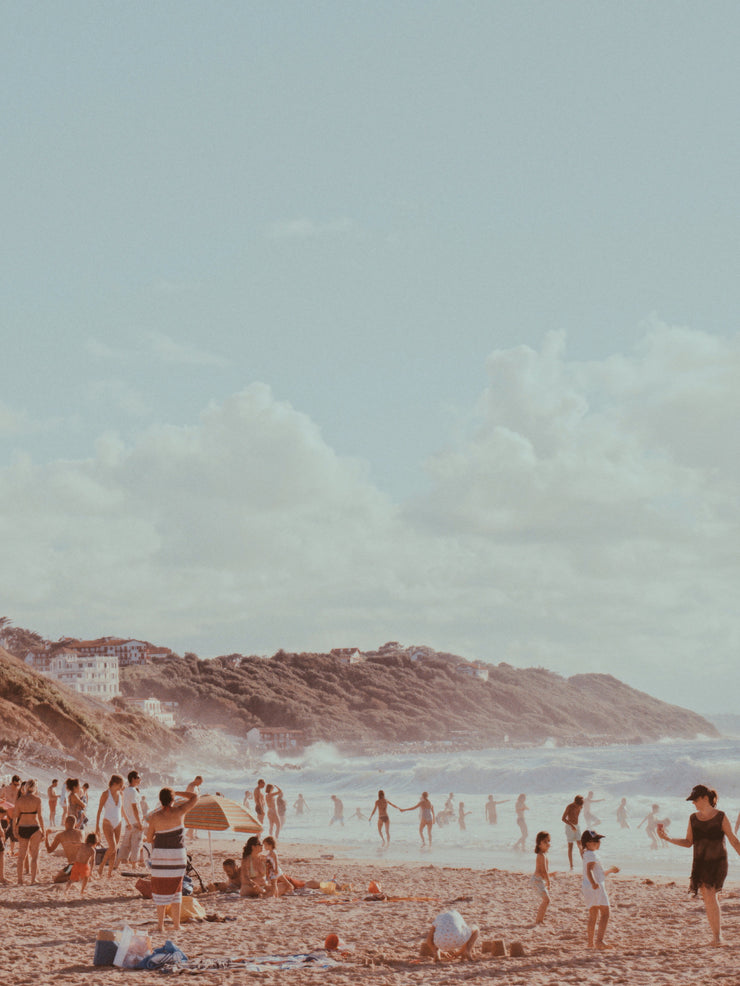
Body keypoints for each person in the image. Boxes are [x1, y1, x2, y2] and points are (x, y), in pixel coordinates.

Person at [658, 783, 740, 946]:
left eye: (695, 800)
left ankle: (717, 937)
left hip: (717, 861)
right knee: (708, 898)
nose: (693, 803)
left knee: (710, 894)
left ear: (705, 798)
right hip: (700, 863)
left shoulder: (721, 816)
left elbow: (733, 840)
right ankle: (716, 936)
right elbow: (688, 842)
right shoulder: (693, 818)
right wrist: (667, 839)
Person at [146, 786, 200, 934]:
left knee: (160, 889)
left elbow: (149, 838)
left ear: (160, 800)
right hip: (177, 856)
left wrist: (159, 836)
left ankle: (161, 926)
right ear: (173, 799)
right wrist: (178, 792)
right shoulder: (180, 811)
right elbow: (195, 797)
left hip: (161, 856)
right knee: (176, 889)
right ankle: (176, 925)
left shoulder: (155, 817)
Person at [581, 829, 619, 949]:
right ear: (587, 843)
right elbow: (589, 870)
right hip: (595, 886)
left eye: (598, 840)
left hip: (588, 887)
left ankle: (590, 942)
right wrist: (594, 883)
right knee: (605, 913)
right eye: (595, 841)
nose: (598, 843)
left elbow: (600, 873)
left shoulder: (587, 854)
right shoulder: (591, 855)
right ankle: (599, 941)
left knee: (593, 915)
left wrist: (611, 871)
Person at [13, 778, 45, 885]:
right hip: (34, 827)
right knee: (35, 856)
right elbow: (40, 817)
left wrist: (14, 830)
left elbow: (15, 818)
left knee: (21, 856)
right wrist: (43, 830)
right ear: (35, 788)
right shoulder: (37, 800)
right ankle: (33, 879)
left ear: (26, 787)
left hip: (23, 827)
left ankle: (20, 880)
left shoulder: (19, 800)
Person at [95, 774, 125, 878]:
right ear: (115, 783)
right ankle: (102, 866)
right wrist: (97, 827)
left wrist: (128, 822)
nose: (122, 787)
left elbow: (121, 810)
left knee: (115, 849)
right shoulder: (105, 794)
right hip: (107, 822)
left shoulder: (121, 794)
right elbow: (99, 810)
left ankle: (109, 873)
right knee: (112, 846)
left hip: (119, 822)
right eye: (120, 784)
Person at [116, 770, 144, 871]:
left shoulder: (125, 791)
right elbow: (135, 807)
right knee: (136, 842)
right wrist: (140, 822)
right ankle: (134, 864)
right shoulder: (133, 791)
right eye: (139, 777)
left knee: (125, 843)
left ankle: (117, 863)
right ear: (133, 779)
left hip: (128, 821)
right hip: (135, 820)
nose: (140, 779)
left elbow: (122, 807)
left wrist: (126, 819)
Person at [45, 814, 84, 883]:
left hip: (72, 866)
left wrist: (46, 835)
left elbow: (49, 850)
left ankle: (74, 877)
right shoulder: (81, 833)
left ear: (65, 823)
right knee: (63, 872)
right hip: (83, 864)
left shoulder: (60, 835)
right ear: (75, 824)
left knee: (57, 879)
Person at [66, 833, 97, 898]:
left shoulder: (82, 845)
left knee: (72, 879)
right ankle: (82, 890)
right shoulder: (92, 850)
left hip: (77, 863)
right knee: (86, 878)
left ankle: (66, 890)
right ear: (95, 842)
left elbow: (74, 843)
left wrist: (69, 843)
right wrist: (91, 870)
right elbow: (93, 861)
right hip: (84, 865)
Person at [532, 831, 551, 924]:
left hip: (539, 880)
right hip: (537, 880)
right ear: (539, 844)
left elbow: (544, 871)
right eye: (545, 841)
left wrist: (549, 876)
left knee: (546, 900)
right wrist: (549, 881)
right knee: (546, 900)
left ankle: (540, 920)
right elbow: (544, 871)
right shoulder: (541, 855)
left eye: (548, 841)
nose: (548, 843)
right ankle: (539, 920)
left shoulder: (544, 855)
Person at [562, 795, 584, 868]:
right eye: (578, 804)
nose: (579, 806)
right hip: (569, 827)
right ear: (575, 802)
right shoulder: (569, 807)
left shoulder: (580, 806)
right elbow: (563, 818)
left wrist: (575, 826)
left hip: (577, 826)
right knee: (570, 846)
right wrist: (571, 825)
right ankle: (571, 865)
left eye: (580, 805)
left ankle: (585, 862)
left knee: (580, 845)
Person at [185, 775, 203, 841]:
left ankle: (191, 834)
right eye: (200, 782)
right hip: (190, 804)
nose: (200, 784)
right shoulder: (191, 786)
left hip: (195, 804)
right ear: (196, 780)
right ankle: (190, 835)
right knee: (193, 820)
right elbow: (188, 795)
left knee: (195, 819)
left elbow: (197, 795)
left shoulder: (196, 786)